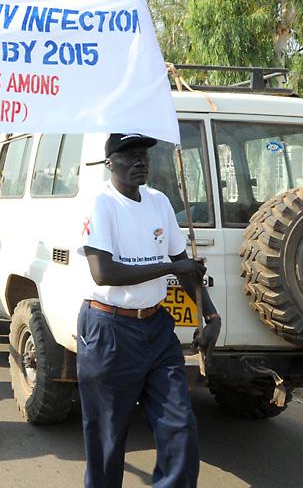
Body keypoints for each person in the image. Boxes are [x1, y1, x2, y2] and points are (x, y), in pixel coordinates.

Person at [79, 133, 222, 488]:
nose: (140, 161)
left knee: (179, 425)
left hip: (156, 328)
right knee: (107, 439)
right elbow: (103, 272)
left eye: (143, 154)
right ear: (109, 163)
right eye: (129, 155)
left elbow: (184, 265)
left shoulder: (159, 202)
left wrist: (211, 316)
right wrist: (169, 268)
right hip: (109, 331)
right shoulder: (101, 203)